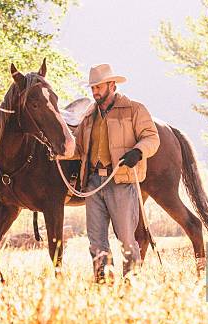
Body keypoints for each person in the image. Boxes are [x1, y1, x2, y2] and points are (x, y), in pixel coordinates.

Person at [65, 63, 160, 282]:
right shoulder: (89, 116)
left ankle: (131, 281)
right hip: (93, 183)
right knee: (96, 240)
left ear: (112, 85)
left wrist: (138, 151)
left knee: (127, 238)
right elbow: (79, 150)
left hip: (121, 181)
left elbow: (152, 138)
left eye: (99, 87)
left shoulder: (134, 109)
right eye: (92, 88)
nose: (95, 92)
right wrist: (58, 153)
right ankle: (103, 281)